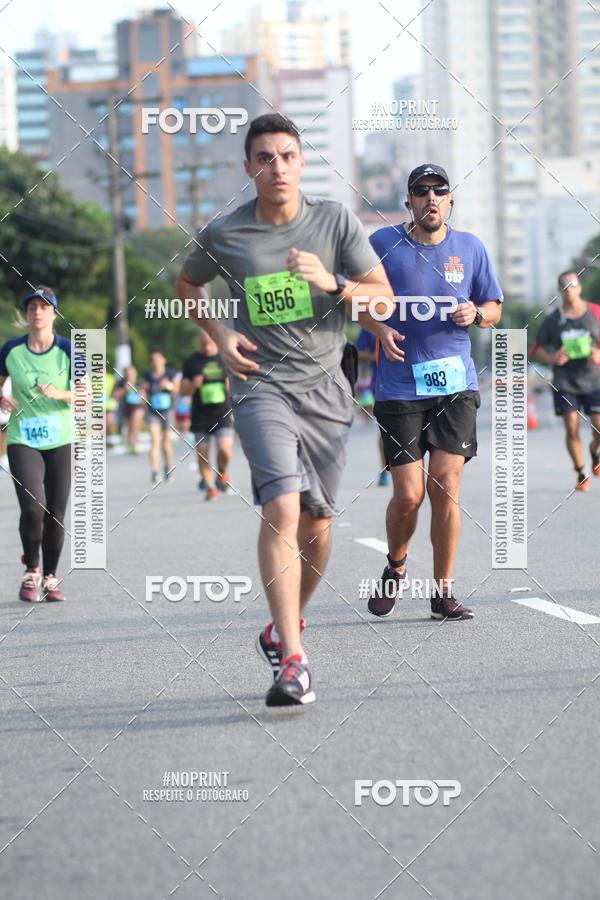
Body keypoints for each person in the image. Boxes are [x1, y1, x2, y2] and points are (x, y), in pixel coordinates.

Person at [176, 113, 392, 706]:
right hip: (259, 386)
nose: (277, 167)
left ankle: (280, 627)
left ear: (302, 162)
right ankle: (294, 661)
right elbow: (186, 286)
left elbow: (382, 297)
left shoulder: (333, 220)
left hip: (325, 388)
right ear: (248, 168)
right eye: (265, 158)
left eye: (288, 156)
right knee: (282, 506)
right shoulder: (226, 233)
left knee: (319, 526)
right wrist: (219, 338)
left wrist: (332, 282)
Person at [366, 164, 503, 621]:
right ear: (408, 200)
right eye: (420, 191)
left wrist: (477, 315)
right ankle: (396, 565)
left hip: (454, 385)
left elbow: (494, 306)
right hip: (398, 385)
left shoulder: (470, 247)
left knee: (445, 484)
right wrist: (377, 327)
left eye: (438, 191)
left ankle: (442, 590)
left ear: (449, 201)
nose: (430, 198)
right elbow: (355, 299)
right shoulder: (383, 245)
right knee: (408, 495)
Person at [0, 287, 76, 602]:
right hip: (22, 438)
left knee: (55, 512)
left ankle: (50, 577)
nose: (37, 312)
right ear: (26, 314)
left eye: (44, 307)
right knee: (33, 505)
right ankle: (31, 570)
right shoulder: (11, 350)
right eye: (31, 307)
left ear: (54, 314)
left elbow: (91, 394)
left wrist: (58, 394)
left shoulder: (70, 350)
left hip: (60, 438)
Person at [534, 271, 600, 490]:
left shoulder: (595, 312)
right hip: (565, 380)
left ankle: (595, 453)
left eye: (573, 284)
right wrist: (553, 357)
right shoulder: (553, 320)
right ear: (559, 290)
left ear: (579, 287)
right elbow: (536, 349)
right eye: (565, 285)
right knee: (571, 426)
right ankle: (581, 472)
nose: (569, 288)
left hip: (594, 379)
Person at [181, 330, 234, 501]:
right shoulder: (191, 362)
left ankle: (222, 471)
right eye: (203, 343)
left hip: (222, 412)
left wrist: (230, 385)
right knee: (203, 451)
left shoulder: (224, 358)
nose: (206, 346)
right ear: (199, 341)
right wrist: (194, 386)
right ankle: (210, 487)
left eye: (209, 342)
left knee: (225, 450)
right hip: (200, 415)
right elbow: (183, 391)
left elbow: (240, 381)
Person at [355, 327, 389, 486]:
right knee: (385, 431)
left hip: (413, 384)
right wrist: (376, 354)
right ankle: (385, 470)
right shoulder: (371, 324)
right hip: (382, 385)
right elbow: (356, 352)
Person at [141, 348, 179, 483]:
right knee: (154, 440)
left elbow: (177, 389)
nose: (155, 362)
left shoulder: (170, 373)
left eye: (158, 359)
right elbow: (143, 391)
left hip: (167, 410)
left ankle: (168, 468)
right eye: (153, 359)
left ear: (163, 360)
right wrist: (142, 396)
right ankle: (154, 471)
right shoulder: (147, 375)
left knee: (166, 441)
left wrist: (168, 385)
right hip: (153, 411)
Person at [113, 364, 144, 453]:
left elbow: (144, 396)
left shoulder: (139, 382)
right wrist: (125, 389)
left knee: (136, 423)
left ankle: (134, 442)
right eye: (128, 373)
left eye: (132, 373)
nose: (130, 375)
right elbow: (114, 395)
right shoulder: (120, 382)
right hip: (125, 407)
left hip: (137, 407)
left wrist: (141, 394)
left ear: (135, 373)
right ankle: (130, 442)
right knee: (128, 426)